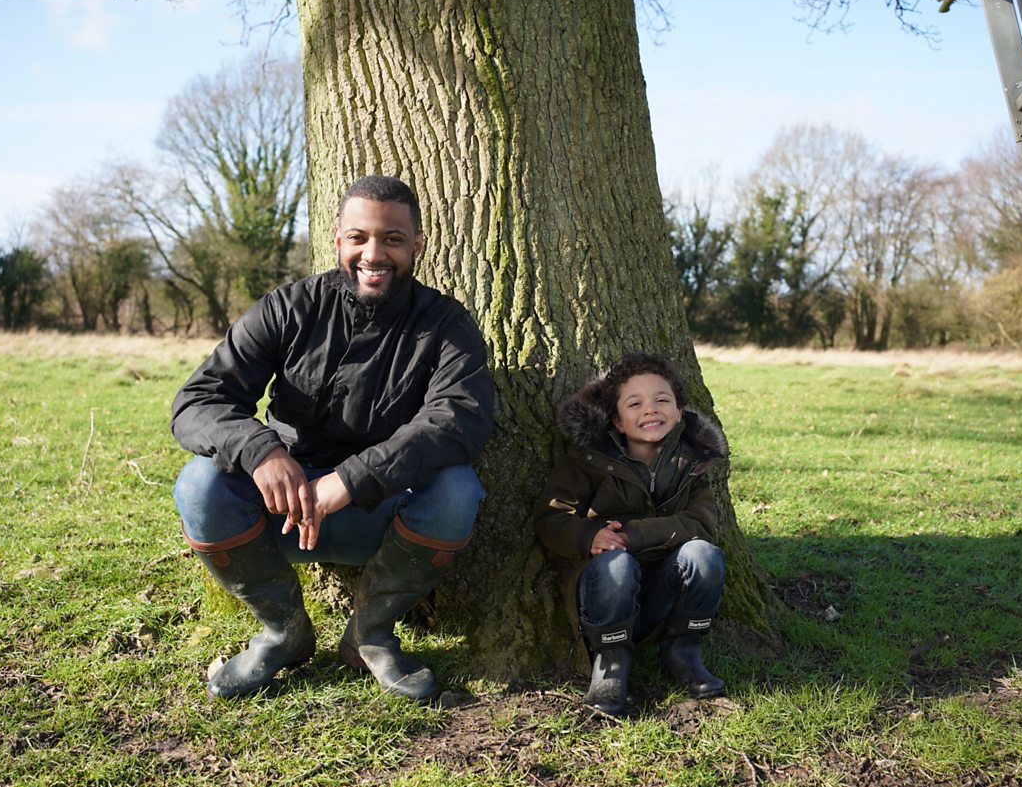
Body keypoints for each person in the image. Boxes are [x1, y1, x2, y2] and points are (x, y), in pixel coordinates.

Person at [171, 175, 495, 702]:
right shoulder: (287, 308)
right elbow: (198, 400)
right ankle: (282, 631)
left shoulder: (447, 325)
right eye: (359, 237)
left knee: (458, 488)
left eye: (392, 239)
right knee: (199, 485)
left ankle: (371, 635)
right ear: (337, 238)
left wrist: (353, 478)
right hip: (280, 515)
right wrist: (261, 451)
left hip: (382, 515)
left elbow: (460, 420)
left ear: (417, 245)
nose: (375, 253)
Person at [534, 353, 729, 715]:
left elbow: (700, 524)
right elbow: (552, 518)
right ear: (617, 421)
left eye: (661, 400)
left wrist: (636, 535)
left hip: (663, 585)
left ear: (679, 410)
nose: (650, 410)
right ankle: (611, 662)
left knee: (704, 555)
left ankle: (683, 650)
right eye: (635, 403)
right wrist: (589, 535)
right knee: (617, 566)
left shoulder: (693, 461)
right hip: (606, 586)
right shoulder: (587, 460)